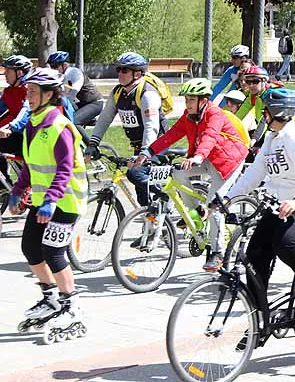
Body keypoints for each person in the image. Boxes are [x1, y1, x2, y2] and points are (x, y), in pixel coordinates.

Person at [221, 88, 295, 322]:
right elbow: (255, 173)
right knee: (255, 253)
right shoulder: (271, 138)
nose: (263, 115)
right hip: (283, 202)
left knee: (285, 241)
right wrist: (227, 198)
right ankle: (259, 320)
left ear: (278, 112)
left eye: (265, 111)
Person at [7, 68, 88, 334]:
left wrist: (51, 200)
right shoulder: (34, 122)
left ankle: (72, 305)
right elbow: (31, 163)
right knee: (30, 247)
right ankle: (51, 299)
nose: (27, 97)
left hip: (65, 202)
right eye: (27, 91)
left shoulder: (59, 126)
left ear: (49, 94)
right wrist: (18, 190)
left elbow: (65, 168)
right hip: (43, 200)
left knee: (53, 252)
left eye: (32, 92)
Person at [136, 78, 245, 271]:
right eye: (186, 100)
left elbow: (210, 136)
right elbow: (172, 135)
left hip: (228, 161)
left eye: (191, 100)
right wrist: (148, 152)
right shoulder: (188, 116)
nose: (187, 104)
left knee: (215, 203)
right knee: (178, 173)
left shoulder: (214, 114)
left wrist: (198, 156)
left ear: (203, 100)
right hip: (206, 159)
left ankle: (217, 252)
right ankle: (197, 212)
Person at [85, 52, 168, 198]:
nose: (120, 74)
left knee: (136, 175)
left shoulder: (147, 94)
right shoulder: (117, 92)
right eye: (118, 69)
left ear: (137, 73)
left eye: (124, 70)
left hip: (158, 143)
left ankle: (165, 198)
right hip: (139, 146)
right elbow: (104, 119)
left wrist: (145, 153)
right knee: (141, 194)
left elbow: (151, 126)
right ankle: (151, 216)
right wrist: (93, 143)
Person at [46, 51, 104, 132]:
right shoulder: (58, 77)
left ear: (65, 65)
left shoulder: (73, 72)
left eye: (55, 66)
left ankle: (91, 144)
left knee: (74, 122)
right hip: (80, 104)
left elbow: (72, 93)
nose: (53, 69)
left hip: (94, 103)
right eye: (51, 66)